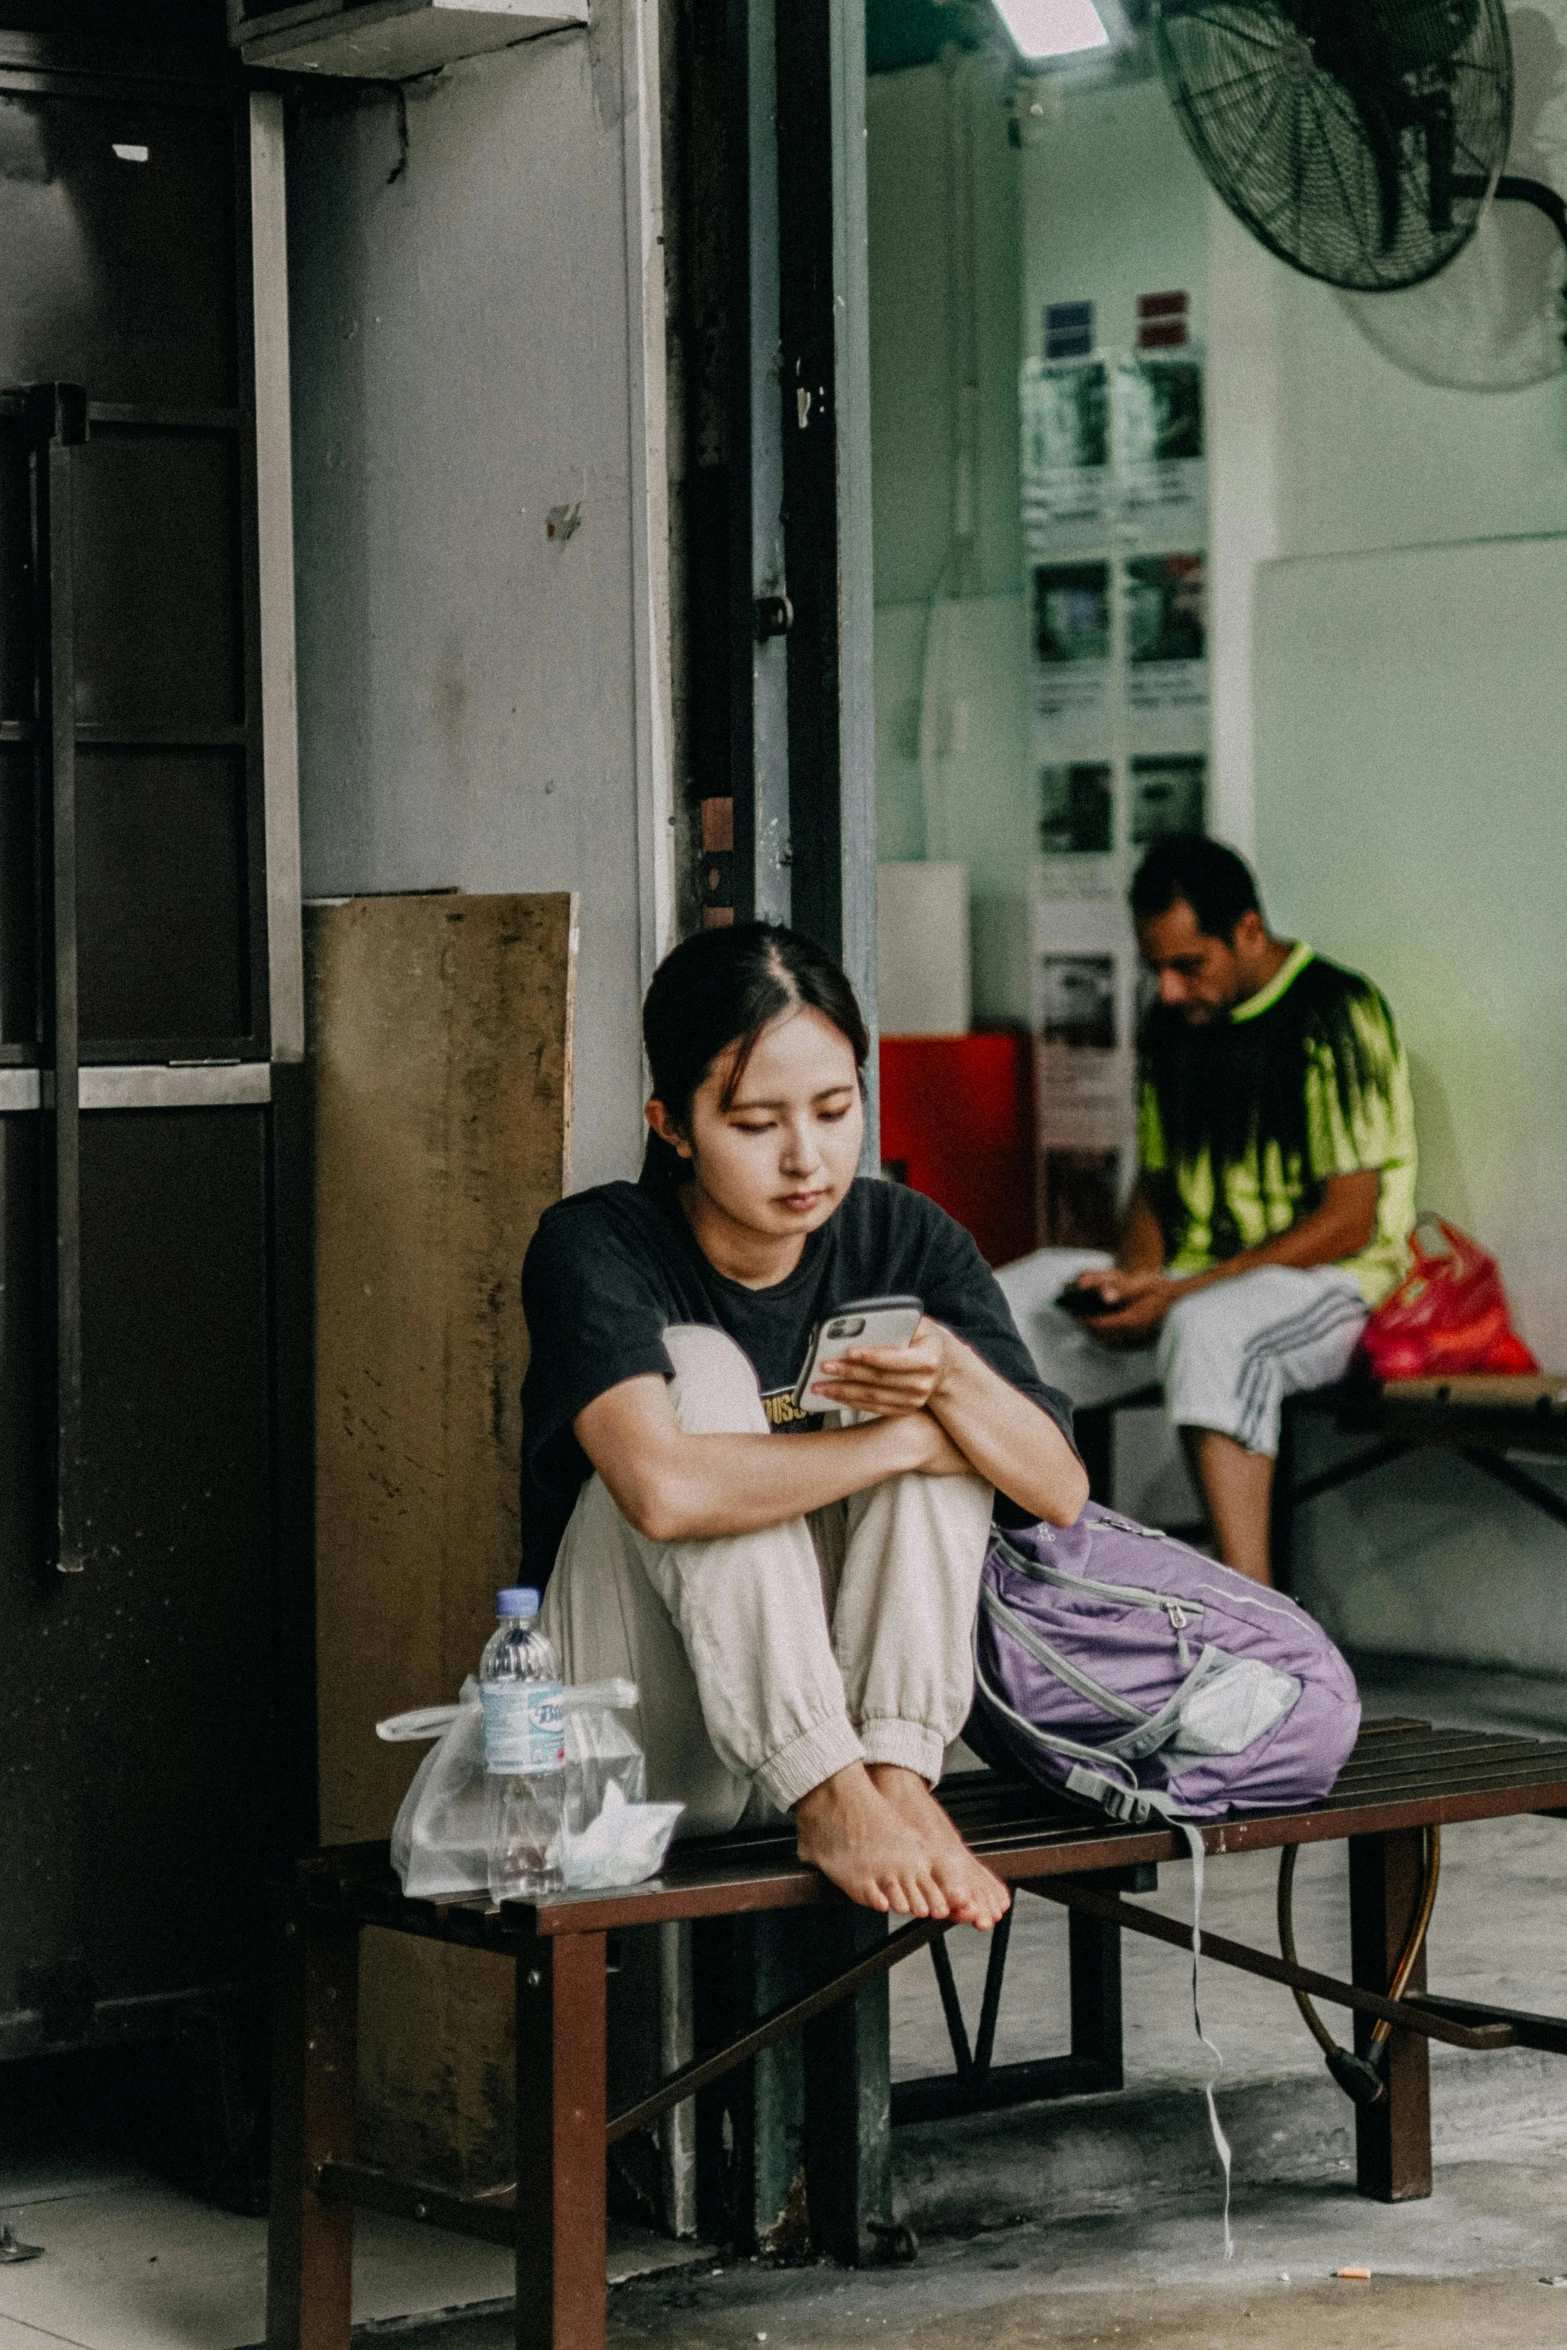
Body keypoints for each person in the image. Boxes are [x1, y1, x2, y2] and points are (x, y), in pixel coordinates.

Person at [520, 922, 1087, 1928]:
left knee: (942, 1387)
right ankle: (829, 1790)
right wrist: (904, 1435)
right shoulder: (596, 1242)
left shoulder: (901, 1234)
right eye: (754, 1124)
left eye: (835, 1110)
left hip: (851, 1723)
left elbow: (1058, 1489)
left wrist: (947, 1378)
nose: (805, 1157)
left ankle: (900, 1773)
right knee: (699, 1370)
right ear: (672, 1124)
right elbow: (664, 1488)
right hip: (633, 1744)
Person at [1010, 835, 1416, 1587]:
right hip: (1190, 1275)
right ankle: (1030, 1591)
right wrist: (1135, 1277)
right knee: (1013, 1300)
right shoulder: (1173, 1020)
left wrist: (1178, 1292)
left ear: (1249, 932)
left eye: (1187, 965)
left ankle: (1257, 1625)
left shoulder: (1335, 1011)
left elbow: (1349, 1222)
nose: (1166, 989)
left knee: (1210, 1331)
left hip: (1336, 1284)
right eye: (1155, 967)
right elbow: (1154, 1183)